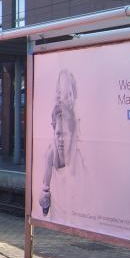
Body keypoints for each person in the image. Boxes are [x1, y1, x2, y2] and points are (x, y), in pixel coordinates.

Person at [39, 69, 86, 219]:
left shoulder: (76, 113)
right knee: (50, 153)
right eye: (61, 94)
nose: (64, 98)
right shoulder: (57, 110)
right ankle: (45, 190)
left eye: (68, 94)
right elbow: (55, 127)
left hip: (73, 147)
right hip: (60, 150)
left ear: (74, 94)